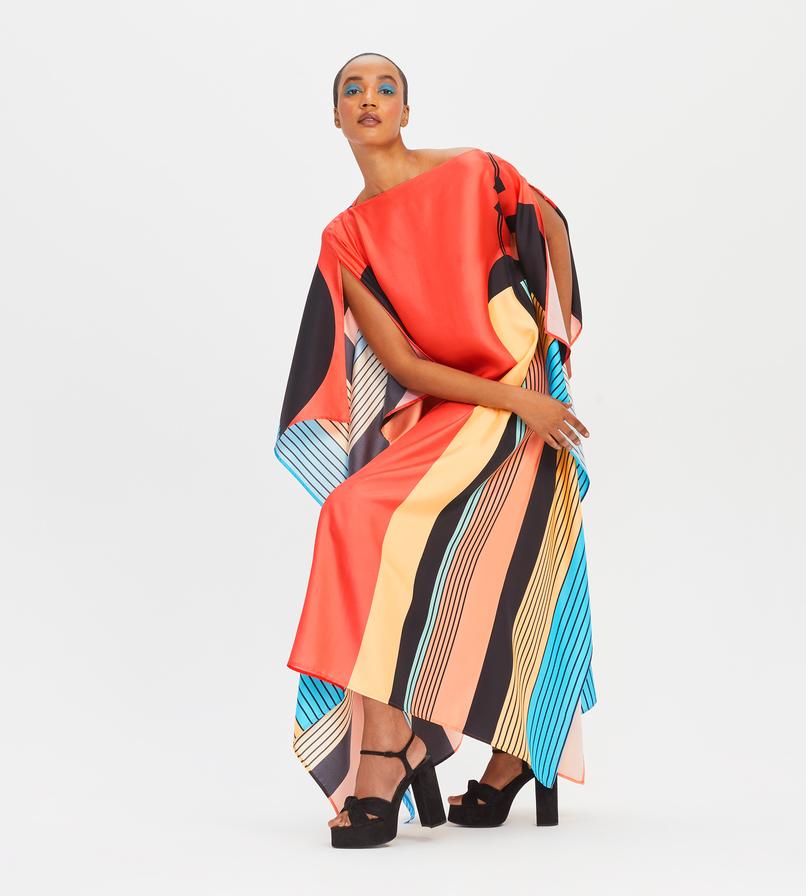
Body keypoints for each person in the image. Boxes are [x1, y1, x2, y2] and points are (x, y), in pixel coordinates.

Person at [274, 51, 597, 848]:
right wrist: (514, 400)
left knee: (524, 553)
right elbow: (407, 365)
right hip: (462, 405)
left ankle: (482, 752)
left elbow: (552, 225)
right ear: (336, 118)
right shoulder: (345, 236)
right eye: (352, 90)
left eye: (386, 87)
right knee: (354, 514)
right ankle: (394, 744)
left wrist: (549, 351)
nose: (369, 98)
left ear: (407, 111)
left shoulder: (473, 172)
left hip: (521, 391)